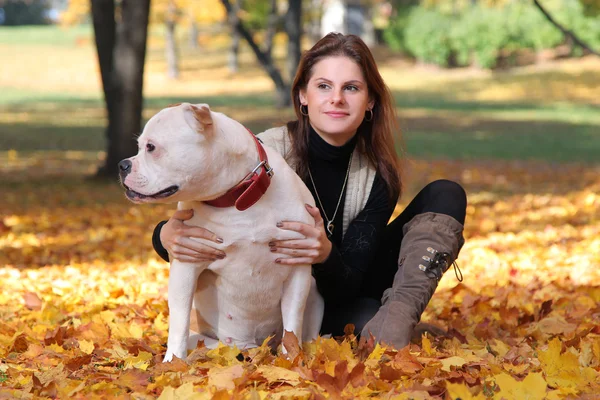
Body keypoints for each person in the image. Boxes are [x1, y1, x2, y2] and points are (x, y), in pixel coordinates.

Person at [151, 32, 467, 349]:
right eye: (324, 86)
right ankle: (376, 325)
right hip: (281, 304)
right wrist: (164, 236)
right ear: (303, 95)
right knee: (362, 317)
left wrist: (325, 253)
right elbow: (205, 218)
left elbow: (351, 282)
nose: (337, 98)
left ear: (370, 100)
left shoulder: (376, 174)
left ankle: (397, 319)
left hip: (343, 284)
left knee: (446, 193)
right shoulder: (259, 153)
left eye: (352, 88)